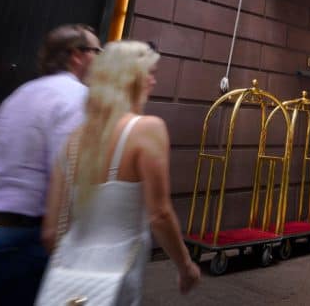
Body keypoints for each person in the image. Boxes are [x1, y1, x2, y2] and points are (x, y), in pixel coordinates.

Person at [0, 24, 101, 305]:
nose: (100, 57)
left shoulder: (22, 92)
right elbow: (70, 174)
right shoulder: (77, 98)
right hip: (15, 243)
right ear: (76, 55)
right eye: (97, 51)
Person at [38, 40, 200, 303]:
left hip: (64, 276)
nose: (153, 81)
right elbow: (159, 214)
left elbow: (50, 232)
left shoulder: (73, 140)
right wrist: (186, 266)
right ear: (131, 77)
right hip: (116, 276)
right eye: (150, 73)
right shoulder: (146, 129)